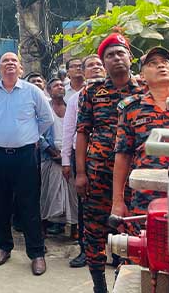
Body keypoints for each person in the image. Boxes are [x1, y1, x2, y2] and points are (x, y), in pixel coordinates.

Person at [75, 33, 144, 293]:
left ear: (130, 57)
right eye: (109, 55)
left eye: (120, 53)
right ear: (103, 62)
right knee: (93, 232)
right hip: (97, 174)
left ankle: (123, 284)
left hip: (133, 178)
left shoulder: (143, 90)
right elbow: (82, 131)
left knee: (131, 233)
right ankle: (98, 286)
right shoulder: (92, 91)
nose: (116, 58)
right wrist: (80, 173)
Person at [0, 52, 54, 275]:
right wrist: (0, 134)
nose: (10, 64)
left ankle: (37, 253)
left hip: (25, 156)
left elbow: (46, 119)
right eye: (5, 62)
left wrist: (29, 136)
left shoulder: (32, 91)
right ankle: (3, 247)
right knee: (0, 202)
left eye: (14, 61)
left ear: (20, 68)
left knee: (29, 204)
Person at [112, 47, 169, 230]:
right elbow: (123, 156)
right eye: (152, 64)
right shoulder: (132, 108)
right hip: (145, 195)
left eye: (165, 63)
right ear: (142, 75)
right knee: (145, 251)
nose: (161, 67)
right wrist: (117, 201)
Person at [61, 54, 105, 268]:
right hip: (84, 159)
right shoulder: (76, 98)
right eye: (90, 65)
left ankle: (114, 251)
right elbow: (69, 130)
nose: (95, 68)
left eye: (99, 64)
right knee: (85, 206)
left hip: (112, 159)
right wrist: (66, 161)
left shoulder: (118, 94)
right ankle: (86, 250)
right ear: (83, 72)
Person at [39, 78, 77, 234]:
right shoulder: (44, 109)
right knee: (47, 193)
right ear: (48, 90)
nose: (60, 87)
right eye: (56, 85)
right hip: (50, 157)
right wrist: (51, 151)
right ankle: (43, 230)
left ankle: (74, 228)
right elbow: (37, 132)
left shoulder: (72, 107)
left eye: (62, 85)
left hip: (69, 156)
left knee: (72, 195)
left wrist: (67, 154)